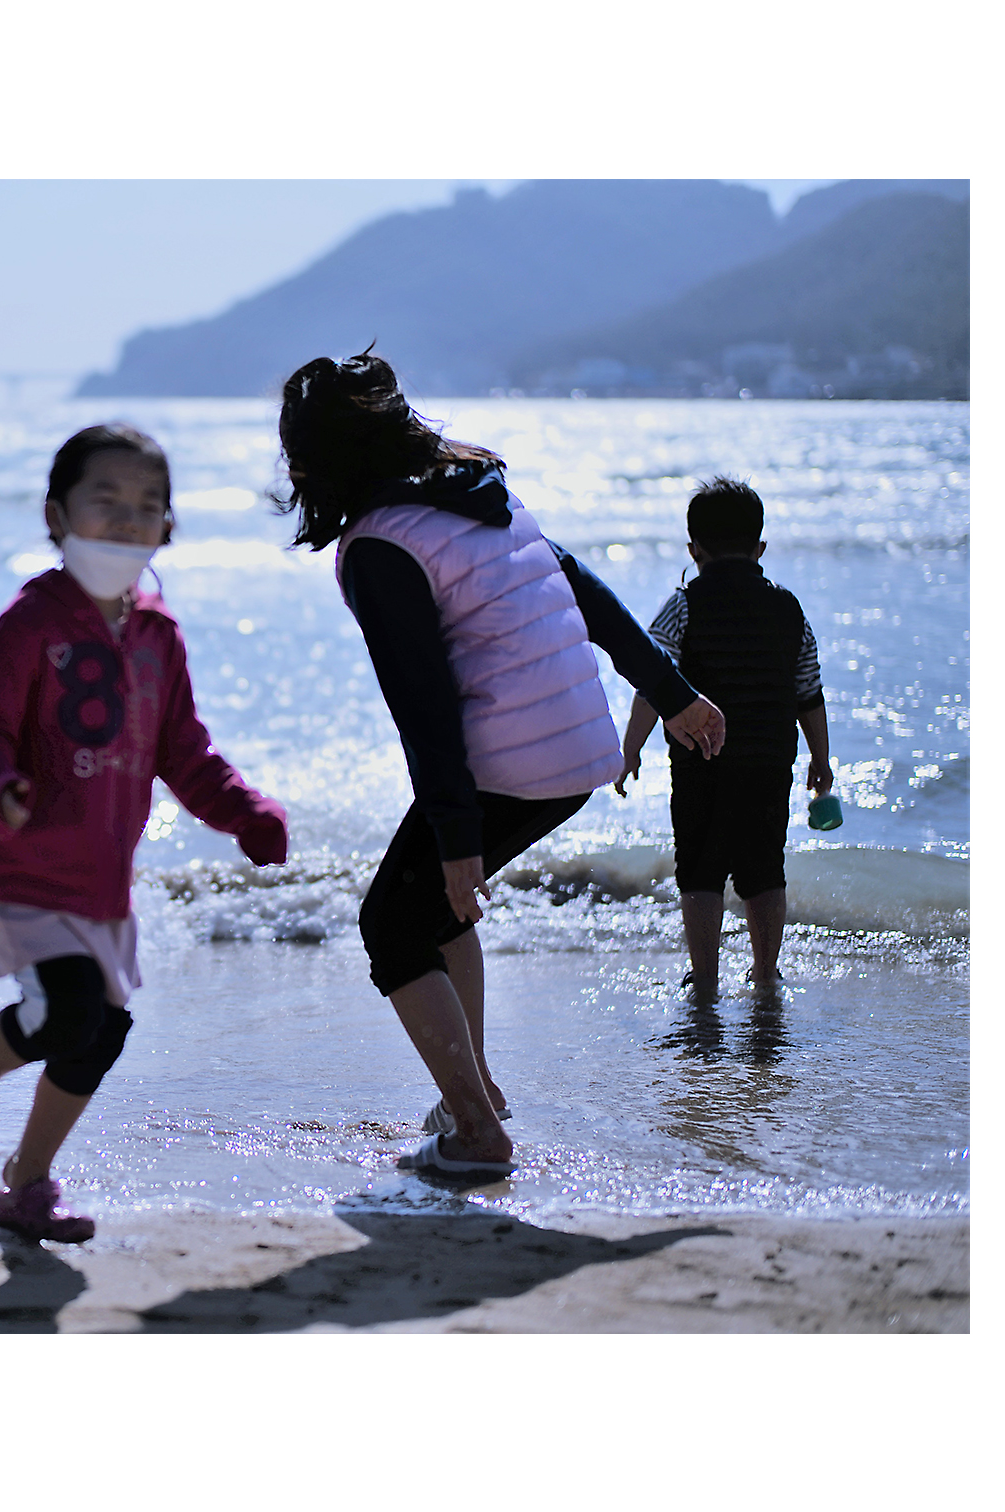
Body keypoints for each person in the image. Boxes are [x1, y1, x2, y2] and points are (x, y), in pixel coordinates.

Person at [276, 351, 725, 1178]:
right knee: (436, 912)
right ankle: (472, 1092)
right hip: (575, 749)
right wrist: (673, 694)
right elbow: (585, 590)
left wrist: (458, 840)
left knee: (392, 926)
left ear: (319, 465)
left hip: (509, 762)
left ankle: (478, 1131)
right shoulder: (478, 491)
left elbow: (424, 706)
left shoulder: (380, 546)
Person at [0, 424, 289, 1241]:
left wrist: (243, 811)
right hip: (23, 869)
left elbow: (185, 753)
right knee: (69, 1012)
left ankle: (26, 1183)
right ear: (56, 516)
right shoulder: (31, 622)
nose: (128, 519)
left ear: (169, 527)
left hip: (102, 883)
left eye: (147, 505)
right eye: (107, 500)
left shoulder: (160, 636)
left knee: (103, 1031)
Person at [615, 476, 831, 997]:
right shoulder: (789, 609)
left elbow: (653, 681)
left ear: (694, 550)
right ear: (760, 548)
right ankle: (765, 971)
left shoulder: (683, 605)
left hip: (701, 760)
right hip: (768, 761)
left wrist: (631, 748)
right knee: (765, 868)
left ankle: (706, 977)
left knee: (700, 869)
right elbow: (809, 690)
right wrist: (821, 759)